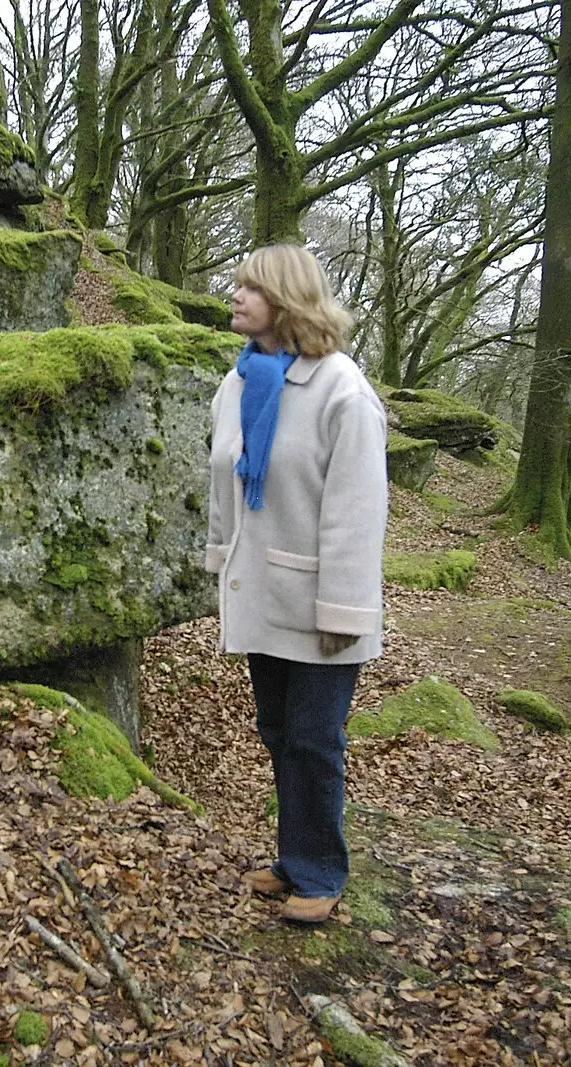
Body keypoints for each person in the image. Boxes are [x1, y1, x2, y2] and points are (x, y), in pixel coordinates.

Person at [203, 243, 388, 925]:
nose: (237, 296)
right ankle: (293, 857)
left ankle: (319, 870)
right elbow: (225, 480)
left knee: (314, 738)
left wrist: (344, 607)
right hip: (264, 591)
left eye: (252, 287)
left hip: (320, 603)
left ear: (286, 299)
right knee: (280, 730)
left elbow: (357, 509)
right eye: (238, 285)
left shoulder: (342, 388)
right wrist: (219, 559)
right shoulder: (241, 381)